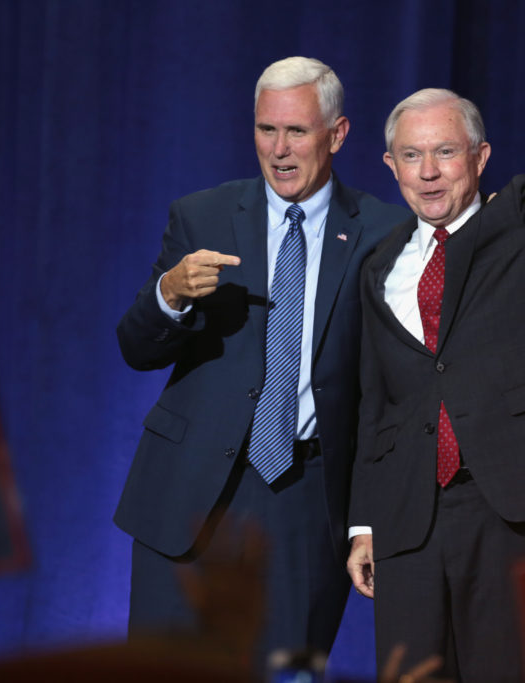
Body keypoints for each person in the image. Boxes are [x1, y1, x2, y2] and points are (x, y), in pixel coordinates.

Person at [346, 1, 525, 680]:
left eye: (445, 152)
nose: (428, 172)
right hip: (410, 521)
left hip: (515, 506)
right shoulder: (379, 266)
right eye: (412, 156)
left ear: (479, 156)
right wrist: (364, 521)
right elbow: (375, 402)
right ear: (389, 165)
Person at [113, 56, 410, 668]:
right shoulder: (203, 215)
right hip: (190, 496)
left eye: (296, 131)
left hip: (305, 500)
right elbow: (136, 348)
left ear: (338, 133)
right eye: (265, 130)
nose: (278, 149)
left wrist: (368, 520)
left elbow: (389, 395)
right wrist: (168, 294)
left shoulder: (385, 233)